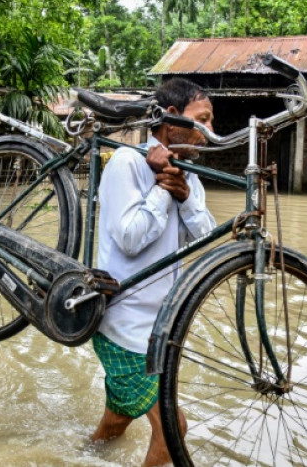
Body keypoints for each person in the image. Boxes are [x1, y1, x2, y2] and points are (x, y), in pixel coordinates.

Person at [90, 78, 216, 466]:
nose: (208, 134)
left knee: (116, 423)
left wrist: (181, 192)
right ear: (172, 117)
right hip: (124, 328)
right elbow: (129, 239)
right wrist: (162, 190)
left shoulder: (187, 174)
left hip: (159, 329)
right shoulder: (126, 162)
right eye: (203, 121)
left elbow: (206, 235)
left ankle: (78, 456)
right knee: (173, 428)